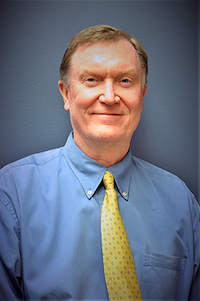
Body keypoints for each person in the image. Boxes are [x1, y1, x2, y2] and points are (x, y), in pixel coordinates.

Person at [0, 24, 199, 301]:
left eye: (125, 81)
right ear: (66, 94)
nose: (109, 97)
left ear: (141, 95)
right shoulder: (11, 196)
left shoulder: (181, 203)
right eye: (91, 80)